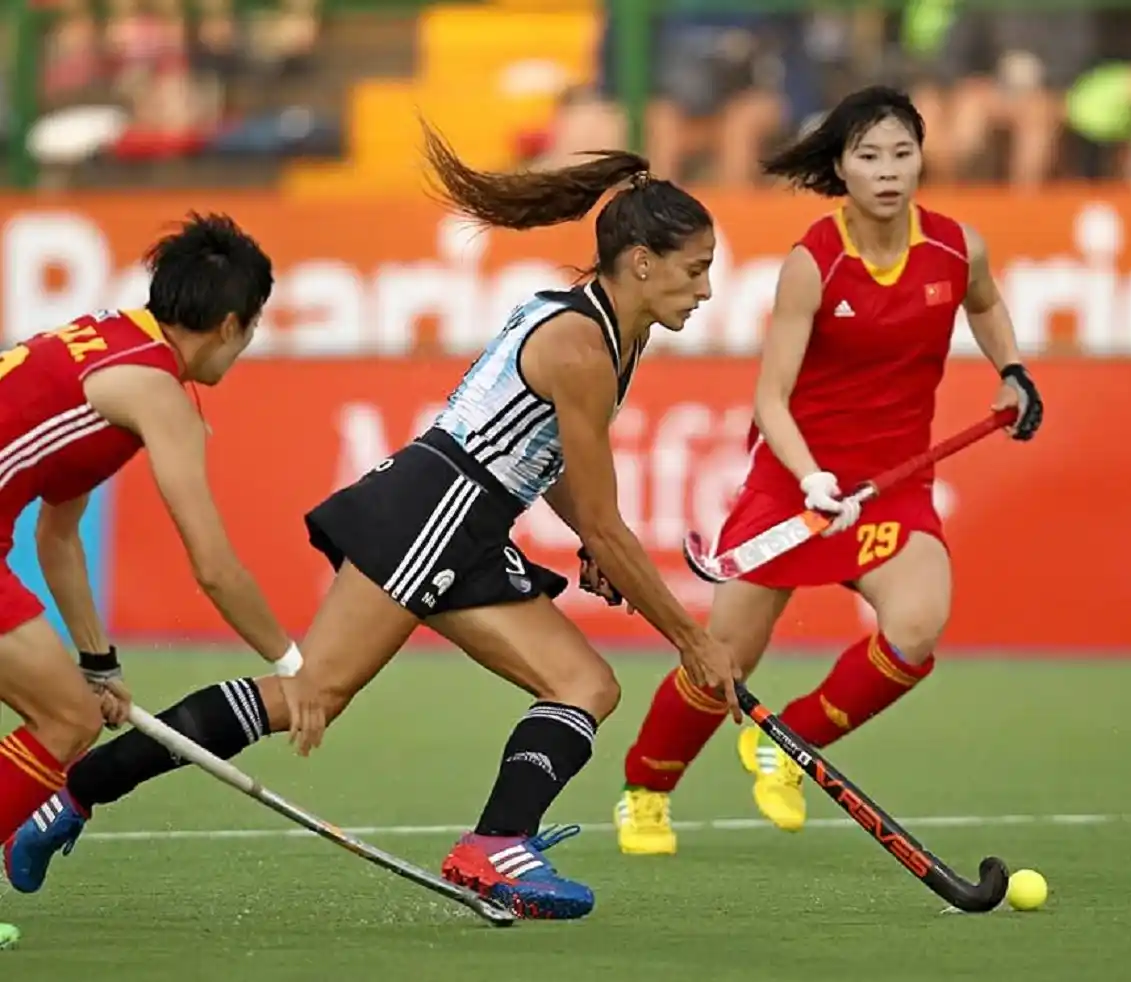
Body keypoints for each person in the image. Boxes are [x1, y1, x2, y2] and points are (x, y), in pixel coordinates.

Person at [6, 127, 740, 920]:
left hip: (466, 518)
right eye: (695, 270)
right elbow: (601, 523)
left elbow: (545, 465)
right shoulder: (579, 344)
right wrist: (693, 639)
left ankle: (495, 846)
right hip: (435, 511)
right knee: (308, 690)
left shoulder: (608, 333)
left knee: (583, 685)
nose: (703, 290)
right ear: (641, 262)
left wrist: (608, 558)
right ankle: (77, 792)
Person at [611, 85, 1044, 856]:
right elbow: (769, 398)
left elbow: (983, 302)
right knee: (724, 660)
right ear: (840, 168)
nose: (887, 171)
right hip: (794, 482)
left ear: (921, 160)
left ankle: (787, 743)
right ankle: (646, 790)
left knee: (916, 626)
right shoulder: (814, 263)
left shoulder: (954, 246)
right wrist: (810, 479)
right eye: (868, 157)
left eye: (902, 154)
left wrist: (1010, 369)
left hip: (894, 481)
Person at [0, 213, 323, 852]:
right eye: (252, 328)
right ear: (232, 324)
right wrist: (296, 668)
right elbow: (214, 567)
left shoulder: (106, 339)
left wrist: (97, 663)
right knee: (64, 721)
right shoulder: (156, 393)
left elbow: (58, 534)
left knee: (72, 706)